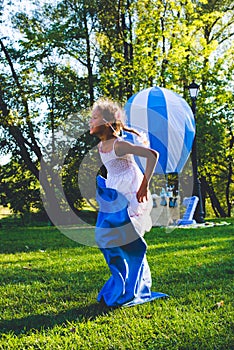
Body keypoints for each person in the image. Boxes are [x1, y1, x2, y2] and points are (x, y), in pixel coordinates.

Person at [89, 98, 168, 307]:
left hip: (132, 193)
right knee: (111, 238)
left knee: (130, 239)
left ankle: (137, 286)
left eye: (94, 118)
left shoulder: (120, 144)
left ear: (106, 122)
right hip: (116, 194)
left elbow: (153, 155)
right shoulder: (100, 146)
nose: (90, 121)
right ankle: (123, 281)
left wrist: (144, 185)